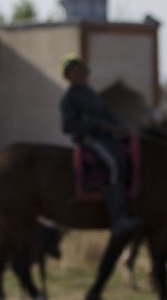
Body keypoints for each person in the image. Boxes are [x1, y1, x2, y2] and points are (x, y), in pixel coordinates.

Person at [59, 54, 140, 237]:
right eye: (73, 71)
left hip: (105, 136)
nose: (78, 73)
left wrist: (120, 127)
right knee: (112, 162)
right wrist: (96, 125)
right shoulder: (69, 96)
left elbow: (106, 114)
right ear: (68, 75)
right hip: (87, 138)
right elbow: (67, 125)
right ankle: (118, 218)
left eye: (80, 69)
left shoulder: (89, 92)